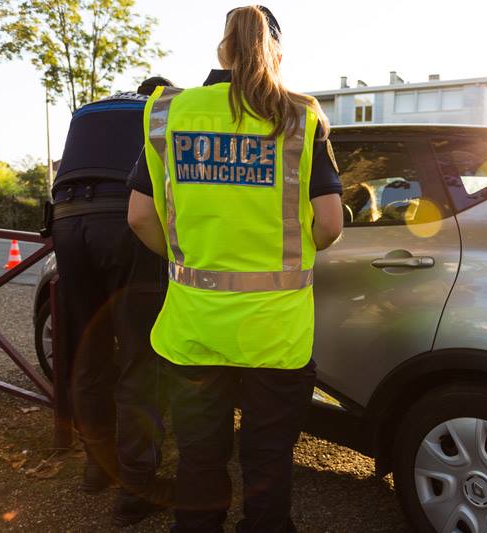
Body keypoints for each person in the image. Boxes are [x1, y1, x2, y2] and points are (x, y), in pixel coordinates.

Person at [126, 5, 343, 532]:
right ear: (277, 52)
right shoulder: (299, 115)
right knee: (268, 459)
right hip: (277, 332)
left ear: (221, 47)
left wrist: (187, 257)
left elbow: (138, 216)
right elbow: (330, 224)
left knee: (200, 459)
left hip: (195, 327)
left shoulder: (168, 113)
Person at [50, 76, 175, 527]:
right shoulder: (161, 110)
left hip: (67, 220)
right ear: (162, 91)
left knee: (91, 351)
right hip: (122, 219)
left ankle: (95, 467)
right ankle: (136, 484)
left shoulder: (89, 109)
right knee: (141, 358)